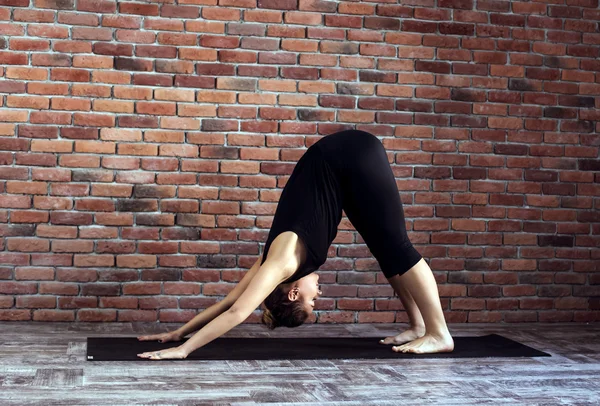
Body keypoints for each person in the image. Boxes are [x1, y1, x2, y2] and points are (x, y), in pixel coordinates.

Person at [137, 130, 454, 360]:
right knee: (387, 250)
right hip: (340, 167)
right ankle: (418, 325)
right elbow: (227, 303)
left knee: (397, 246)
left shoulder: (284, 262)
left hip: (347, 156)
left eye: (312, 301)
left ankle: (439, 334)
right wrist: (179, 332)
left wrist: (183, 349)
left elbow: (236, 311)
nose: (319, 294)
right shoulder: (271, 265)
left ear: (292, 293)